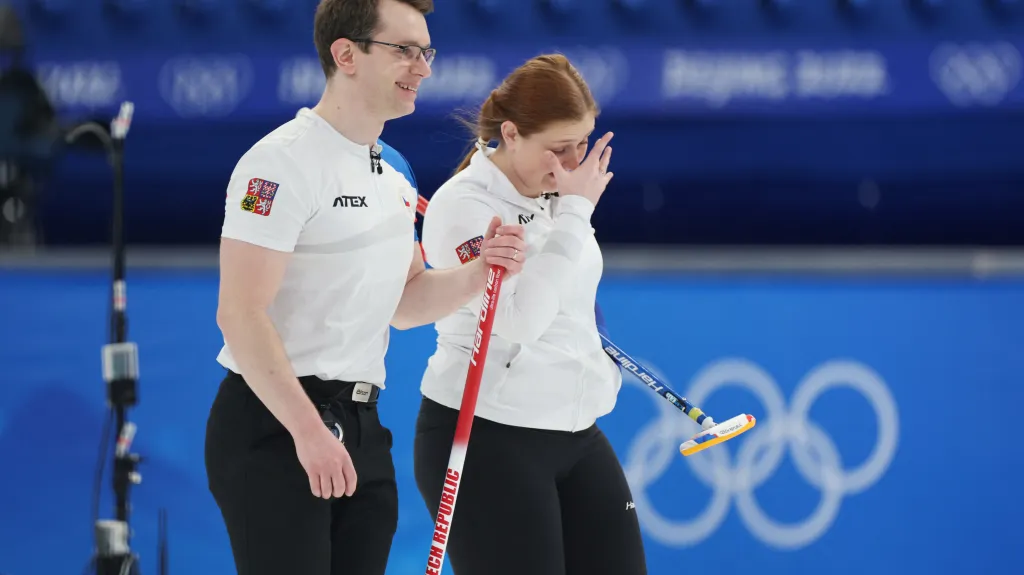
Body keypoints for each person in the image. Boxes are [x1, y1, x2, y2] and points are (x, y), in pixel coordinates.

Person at [202, 1, 528, 574]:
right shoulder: (277, 165)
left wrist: (481, 271)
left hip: (361, 423)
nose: (423, 67)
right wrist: (307, 432)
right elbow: (240, 313)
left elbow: (404, 302)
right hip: (276, 424)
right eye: (404, 50)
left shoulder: (393, 170)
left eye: (426, 51)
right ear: (346, 54)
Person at [413, 54, 647, 575]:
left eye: (583, 144)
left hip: (576, 430)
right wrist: (576, 213)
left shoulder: (556, 194)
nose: (572, 163)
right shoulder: (466, 206)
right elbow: (517, 322)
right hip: (489, 436)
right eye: (558, 149)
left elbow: (567, 295)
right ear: (511, 134)